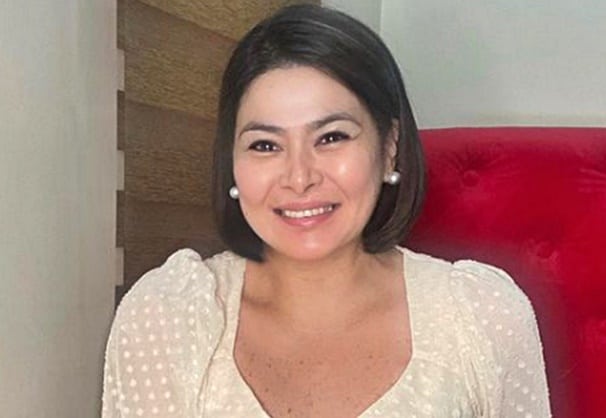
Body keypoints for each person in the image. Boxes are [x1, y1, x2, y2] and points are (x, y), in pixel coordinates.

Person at [102, 4, 550, 417]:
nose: (299, 177)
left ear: (389, 148)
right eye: (265, 145)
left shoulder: (481, 317)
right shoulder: (168, 317)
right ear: (232, 163)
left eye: (331, 137)